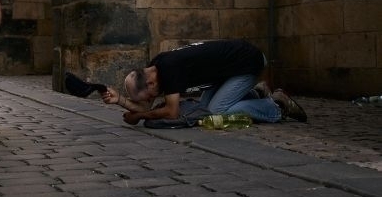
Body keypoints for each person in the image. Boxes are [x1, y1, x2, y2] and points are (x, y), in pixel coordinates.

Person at [101, 39, 308, 124]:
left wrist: (139, 116)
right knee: (203, 108)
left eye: (148, 96)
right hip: (225, 74)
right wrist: (120, 100)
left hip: (247, 63)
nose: (150, 99)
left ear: (150, 84)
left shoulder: (169, 69)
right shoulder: (155, 68)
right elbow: (147, 107)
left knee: (216, 111)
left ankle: (276, 105)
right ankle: (256, 93)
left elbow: (172, 113)